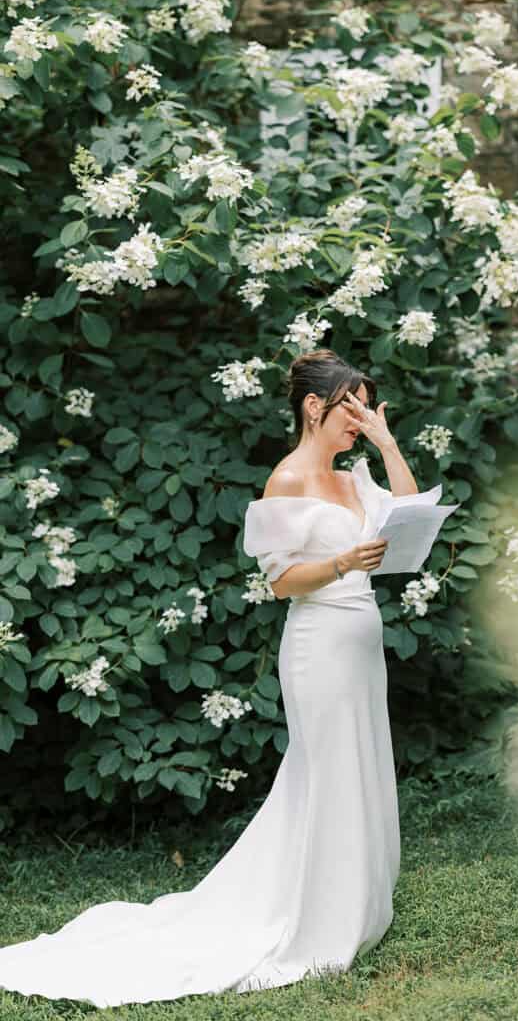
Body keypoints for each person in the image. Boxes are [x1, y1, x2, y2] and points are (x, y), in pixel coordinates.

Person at [0, 349, 431, 1007]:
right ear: (314, 408)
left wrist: (386, 440)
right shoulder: (287, 481)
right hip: (317, 641)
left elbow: (407, 516)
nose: (361, 419)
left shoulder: (354, 475)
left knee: (362, 762)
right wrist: (344, 561)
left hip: (361, 640)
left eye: (367, 408)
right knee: (326, 770)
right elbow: (282, 580)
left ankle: (355, 897)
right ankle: (314, 915)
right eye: (352, 407)